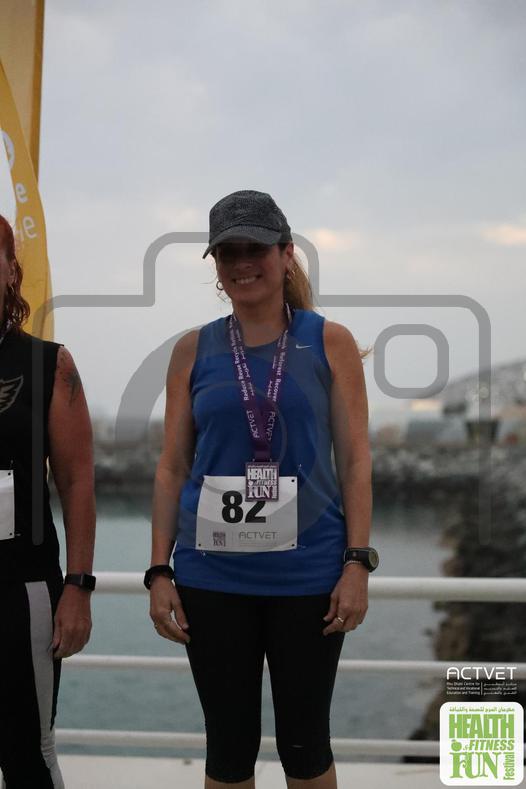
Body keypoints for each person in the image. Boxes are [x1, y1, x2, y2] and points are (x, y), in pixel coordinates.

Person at [146, 189, 378, 789]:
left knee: (306, 746)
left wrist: (357, 563)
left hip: (309, 576)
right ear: (215, 267)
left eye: (256, 248)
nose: (242, 263)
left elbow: (355, 462)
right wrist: (159, 571)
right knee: (227, 751)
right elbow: (172, 466)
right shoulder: (192, 350)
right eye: (228, 253)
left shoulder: (329, 342)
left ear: (285, 254)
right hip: (211, 577)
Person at [0, 214, 97, 788]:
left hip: (24, 588)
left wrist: (78, 587)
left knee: (28, 753)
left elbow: (78, 481)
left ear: (12, 271)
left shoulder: (49, 364)